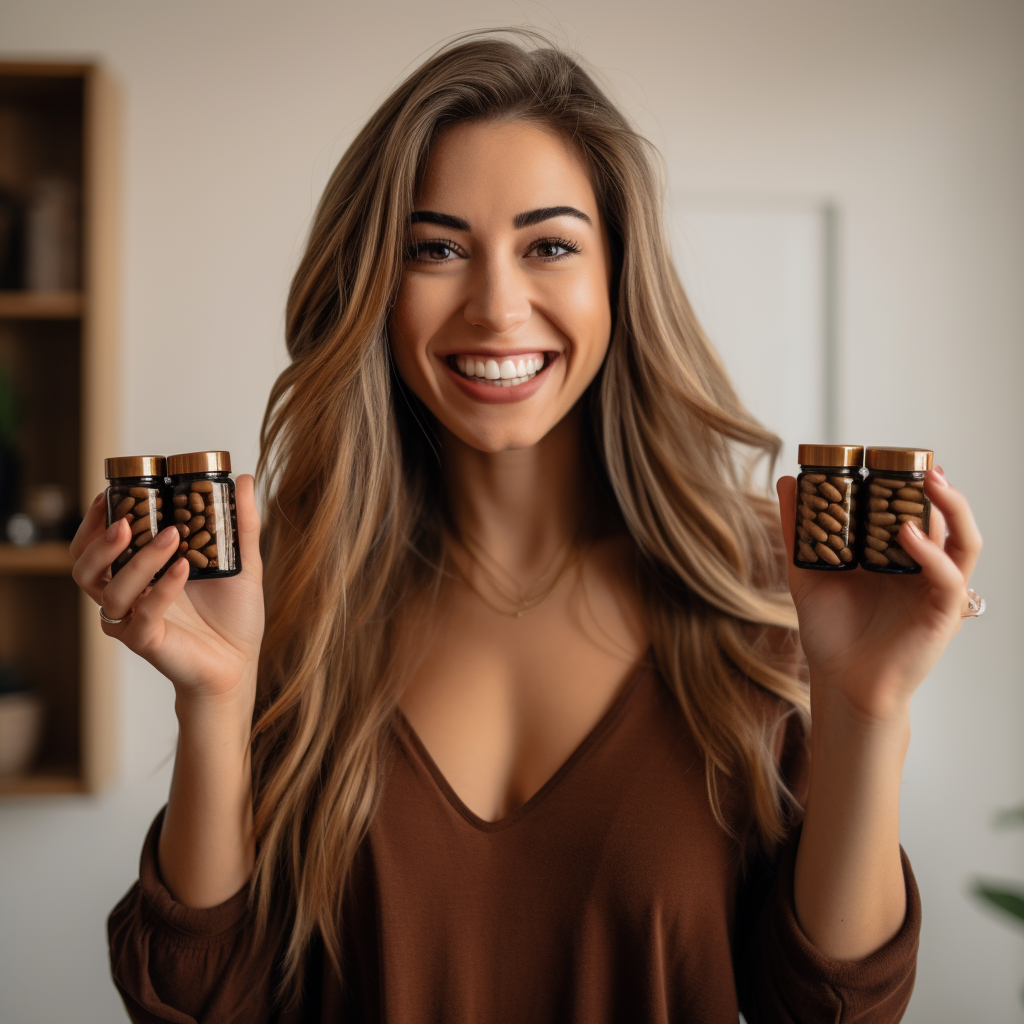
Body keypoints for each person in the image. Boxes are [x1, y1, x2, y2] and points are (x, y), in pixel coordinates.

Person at [73, 30, 983, 1023]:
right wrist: (212, 700)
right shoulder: (276, 596)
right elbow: (197, 1002)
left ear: (616, 279)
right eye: (435, 250)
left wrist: (862, 707)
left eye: (548, 245)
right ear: (375, 283)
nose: (497, 306)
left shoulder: (770, 587)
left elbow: (829, 1010)